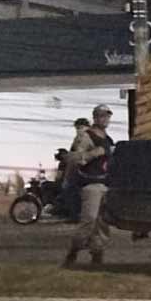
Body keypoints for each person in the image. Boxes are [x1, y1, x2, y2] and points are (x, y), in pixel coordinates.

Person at [63, 105, 114, 267]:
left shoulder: (108, 139)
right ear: (95, 118)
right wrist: (94, 153)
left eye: (107, 116)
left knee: (102, 223)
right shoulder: (86, 136)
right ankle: (73, 251)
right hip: (91, 184)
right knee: (89, 220)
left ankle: (97, 256)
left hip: (105, 184)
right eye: (101, 116)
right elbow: (74, 158)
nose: (105, 119)